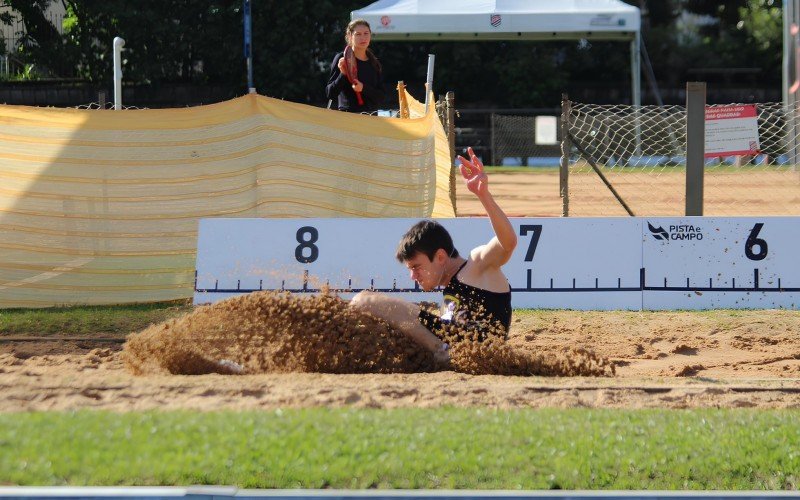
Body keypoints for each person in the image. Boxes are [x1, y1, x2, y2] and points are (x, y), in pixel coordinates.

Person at [350, 147, 517, 364]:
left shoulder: (476, 266)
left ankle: (441, 351)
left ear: (440, 257)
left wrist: (483, 195)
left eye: (416, 267)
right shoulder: (449, 291)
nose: (413, 277)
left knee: (364, 300)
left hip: (473, 351)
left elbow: (508, 243)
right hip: (456, 345)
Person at [326, 19, 386, 114]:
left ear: (370, 35)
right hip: (348, 119)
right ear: (350, 36)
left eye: (366, 33)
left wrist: (363, 88)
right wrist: (343, 74)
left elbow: (381, 97)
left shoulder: (374, 62)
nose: (363, 38)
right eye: (358, 34)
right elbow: (330, 93)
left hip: (372, 120)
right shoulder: (341, 58)